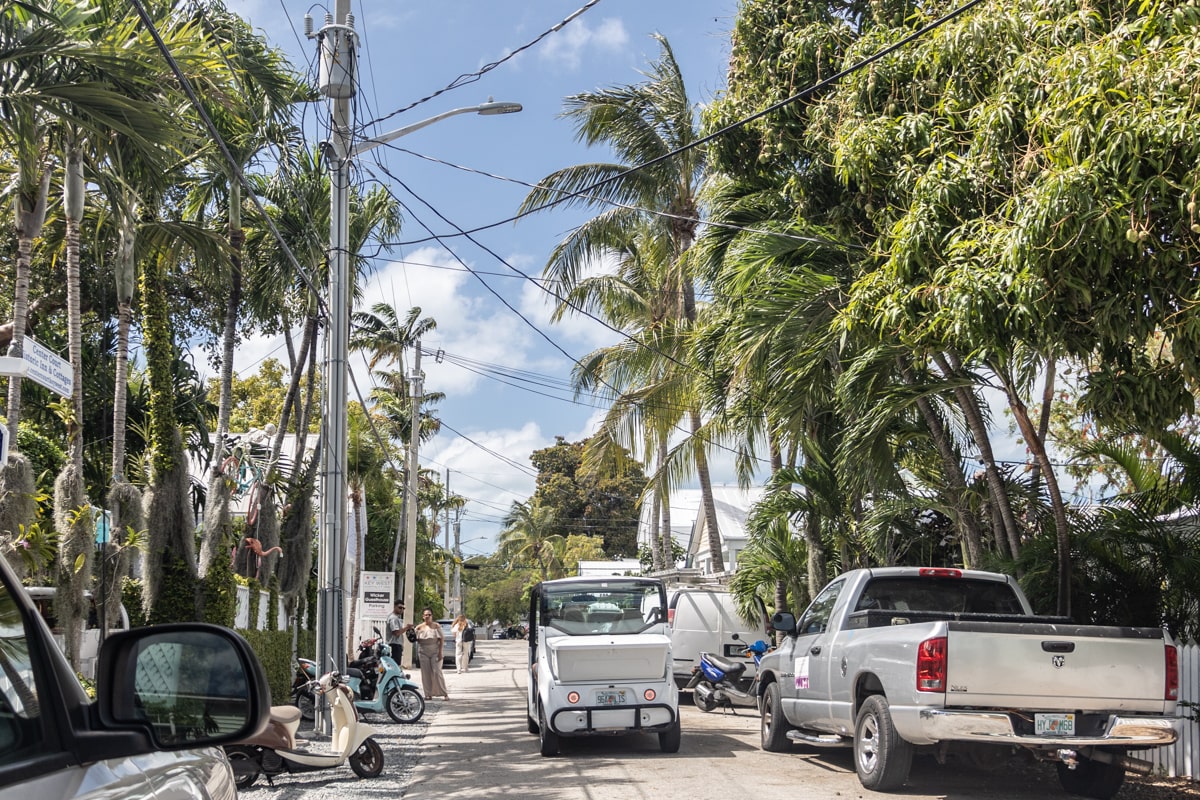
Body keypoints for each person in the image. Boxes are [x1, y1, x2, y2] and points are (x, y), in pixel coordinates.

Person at [415, 608, 449, 700]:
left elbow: (441, 639)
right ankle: (428, 694)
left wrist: (440, 652)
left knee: (437, 672)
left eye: (429, 615)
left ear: (431, 616)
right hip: (423, 651)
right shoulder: (419, 627)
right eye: (425, 615)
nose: (427, 616)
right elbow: (414, 639)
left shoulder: (436, 626)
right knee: (425, 673)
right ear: (423, 616)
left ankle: (444, 693)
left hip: (435, 650)